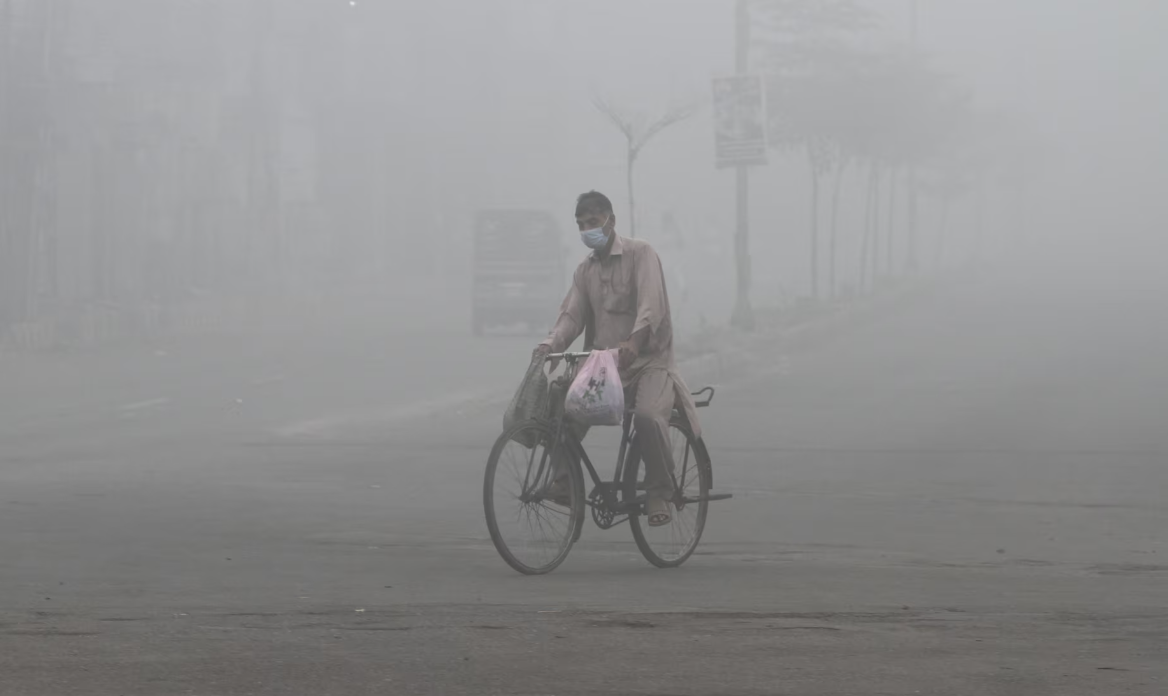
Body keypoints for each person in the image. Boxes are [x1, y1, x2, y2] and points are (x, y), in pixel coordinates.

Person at [533, 191, 702, 527]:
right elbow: (572, 315)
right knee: (556, 410)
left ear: (611, 220)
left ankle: (659, 491)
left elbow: (652, 306)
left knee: (648, 417)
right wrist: (550, 343)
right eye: (581, 225)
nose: (587, 230)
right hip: (603, 368)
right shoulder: (585, 271)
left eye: (593, 222)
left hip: (649, 363)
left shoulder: (641, 254)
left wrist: (635, 341)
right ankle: (566, 482)